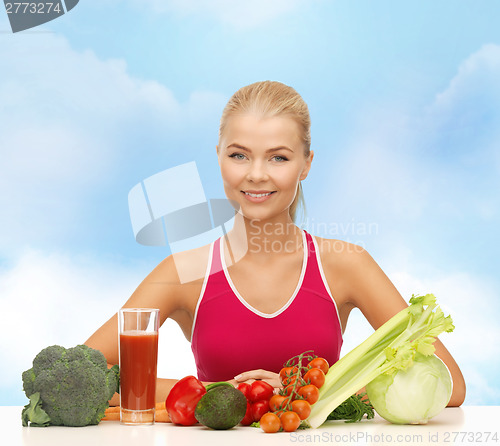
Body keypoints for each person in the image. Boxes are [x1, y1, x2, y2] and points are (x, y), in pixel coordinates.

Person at [85, 80, 466, 407]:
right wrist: (220, 393)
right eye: (239, 155)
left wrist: (303, 393)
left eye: (278, 158)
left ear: (306, 164)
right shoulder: (184, 273)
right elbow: (86, 375)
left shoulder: (346, 264)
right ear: (218, 158)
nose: (256, 174)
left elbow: (449, 383)